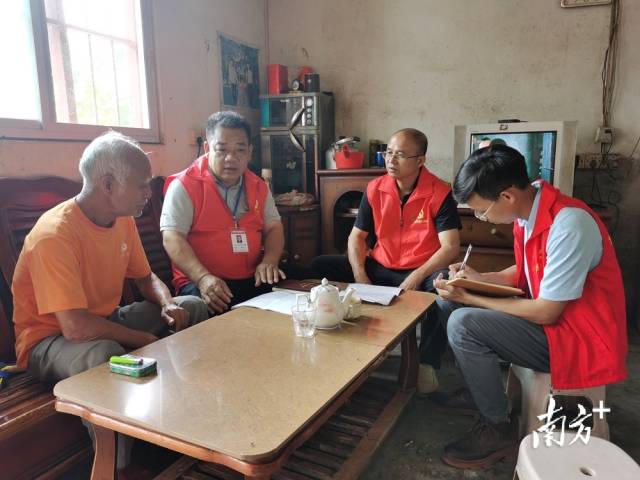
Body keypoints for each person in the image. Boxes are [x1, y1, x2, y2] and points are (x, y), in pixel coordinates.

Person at [12, 131, 209, 471]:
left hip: (103, 321)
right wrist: (144, 340)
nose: (149, 193)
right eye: (141, 185)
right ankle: (117, 465)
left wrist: (167, 303)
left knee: (191, 307)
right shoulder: (54, 235)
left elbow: (146, 278)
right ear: (107, 184)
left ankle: (184, 418)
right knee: (106, 355)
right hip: (48, 341)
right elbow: (75, 328)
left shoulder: (122, 220)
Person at [430, 144, 627, 469]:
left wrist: (473, 297)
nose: (481, 218)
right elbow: (525, 271)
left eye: (481, 211)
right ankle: (479, 393)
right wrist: (476, 279)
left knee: (463, 323)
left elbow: (547, 311)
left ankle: (497, 428)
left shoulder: (569, 225)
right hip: (553, 326)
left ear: (506, 196)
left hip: (575, 340)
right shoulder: (529, 212)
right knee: (447, 303)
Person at [311, 128, 461, 393]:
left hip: (422, 270)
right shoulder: (375, 188)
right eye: (388, 153)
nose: (391, 160)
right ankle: (332, 340)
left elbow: (450, 247)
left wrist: (415, 277)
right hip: (380, 265)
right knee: (320, 265)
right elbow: (356, 237)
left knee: (446, 287)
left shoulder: (439, 192)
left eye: (400, 155)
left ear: (420, 160)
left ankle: (427, 363)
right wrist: (360, 276)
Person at [161, 111, 285, 313]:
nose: (231, 158)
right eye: (222, 150)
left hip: (252, 278)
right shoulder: (184, 185)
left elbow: (274, 228)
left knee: (298, 292)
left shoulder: (258, 186)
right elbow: (171, 238)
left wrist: (270, 260)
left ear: (250, 152)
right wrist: (202, 278)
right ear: (207, 148)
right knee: (209, 313)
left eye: (240, 150)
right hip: (204, 283)